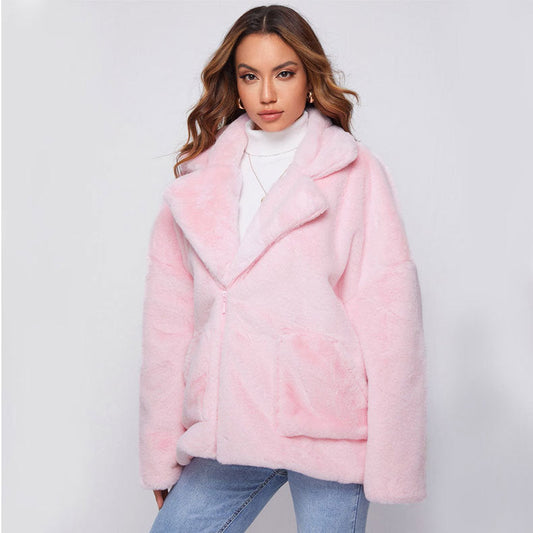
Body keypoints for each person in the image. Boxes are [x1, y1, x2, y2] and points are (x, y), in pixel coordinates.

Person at [139, 4, 427, 532]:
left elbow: (389, 319)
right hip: (228, 424)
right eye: (250, 76)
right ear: (234, 84)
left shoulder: (353, 173)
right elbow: (168, 330)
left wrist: (393, 458)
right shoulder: (196, 185)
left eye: (284, 73)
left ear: (310, 79)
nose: (267, 93)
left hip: (327, 423)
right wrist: (162, 451)